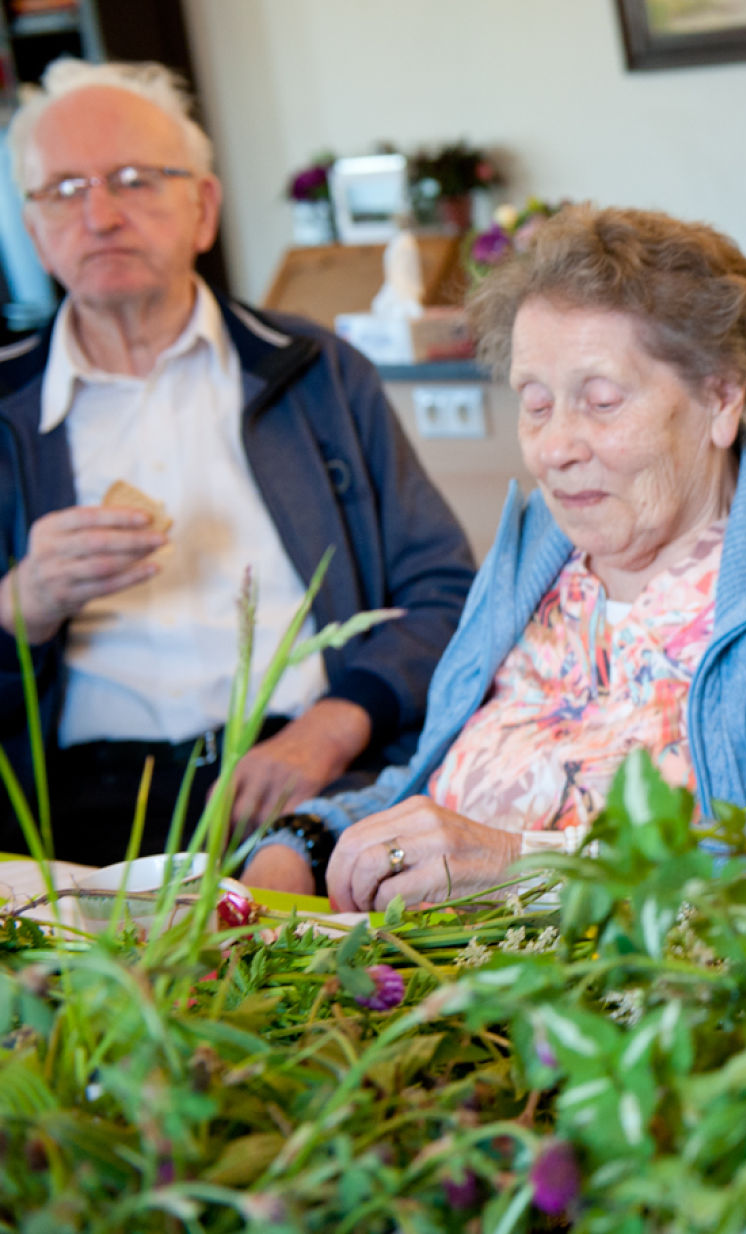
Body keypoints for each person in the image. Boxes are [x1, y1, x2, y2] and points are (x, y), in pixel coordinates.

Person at [242, 206, 746, 911]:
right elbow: (430, 782)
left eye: (601, 402)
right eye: (535, 406)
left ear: (722, 395)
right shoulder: (530, 563)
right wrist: (304, 841)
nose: (555, 447)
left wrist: (529, 869)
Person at [0, 59, 475, 864]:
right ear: (34, 227)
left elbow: (447, 592)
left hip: (315, 785)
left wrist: (335, 725)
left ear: (204, 207)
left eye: (133, 180)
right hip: (77, 818)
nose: (102, 216)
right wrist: (24, 600)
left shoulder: (316, 372)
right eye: (67, 191)